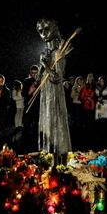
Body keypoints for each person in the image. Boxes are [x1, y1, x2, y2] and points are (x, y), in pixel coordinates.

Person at [35, 17, 72, 165]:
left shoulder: (60, 48)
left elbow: (57, 76)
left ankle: (60, 159)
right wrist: (42, 65)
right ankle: (52, 158)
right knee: (49, 122)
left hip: (55, 93)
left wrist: (46, 65)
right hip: (46, 93)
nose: (43, 34)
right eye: (40, 31)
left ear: (54, 27)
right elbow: (39, 77)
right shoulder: (47, 50)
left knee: (57, 122)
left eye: (46, 29)